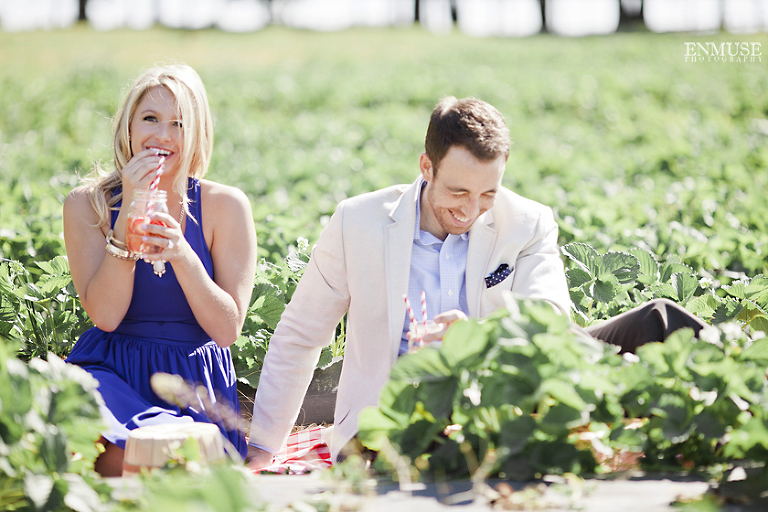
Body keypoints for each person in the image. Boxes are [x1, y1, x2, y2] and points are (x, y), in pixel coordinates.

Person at [246, 97, 706, 469]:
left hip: (515, 400)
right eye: (458, 192)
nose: (470, 210)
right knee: (444, 446)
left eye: (488, 193)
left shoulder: (527, 222)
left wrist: (478, 337)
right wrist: (263, 449)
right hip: (397, 416)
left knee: (662, 319)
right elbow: (301, 334)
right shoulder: (358, 222)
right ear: (427, 167)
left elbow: (550, 320)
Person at [63, 64, 257, 477]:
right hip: (109, 371)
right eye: (150, 119)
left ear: (197, 134)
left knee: (176, 461)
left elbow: (227, 329)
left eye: (179, 124)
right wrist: (128, 211)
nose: (163, 136)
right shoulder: (87, 205)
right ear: (128, 127)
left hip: (192, 381)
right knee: (106, 454)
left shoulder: (225, 206)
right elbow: (106, 316)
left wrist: (182, 254)